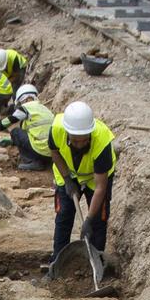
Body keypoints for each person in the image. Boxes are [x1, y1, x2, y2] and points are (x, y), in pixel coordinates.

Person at [49, 100, 116, 262]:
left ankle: (95, 261)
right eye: (76, 140)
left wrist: (89, 220)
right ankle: (58, 261)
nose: (80, 144)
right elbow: (54, 152)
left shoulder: (102, 142)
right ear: (67, 133)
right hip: (69, 173)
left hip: (95, 177)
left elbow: (100, 187)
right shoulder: (57, 129)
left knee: (98, 222)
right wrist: (67, 179)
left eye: (84, 140)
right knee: (64, 214)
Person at [0, 82, 52, 171]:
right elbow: (36, 132)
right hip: (51, 153)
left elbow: (7, 122)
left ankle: (33, 162)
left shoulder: (26, 107)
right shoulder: (44, 108)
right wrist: (12, 141)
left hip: (41, 149)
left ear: (23, 100)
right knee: (21, 129)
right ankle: (42, 161)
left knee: (15, 131)